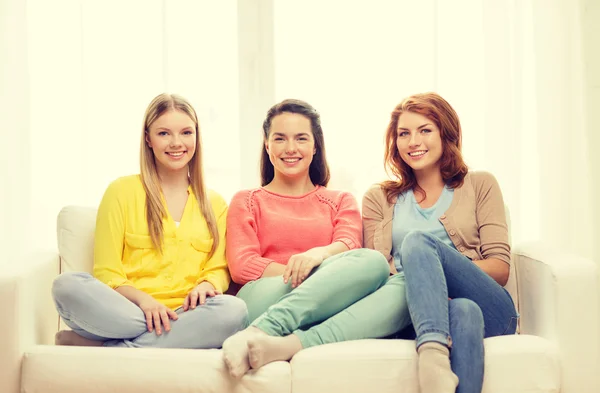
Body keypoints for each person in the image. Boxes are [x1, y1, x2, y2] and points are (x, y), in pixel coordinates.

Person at [222, 99, 411, 379]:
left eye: (301, 138)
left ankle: (286, 345)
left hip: (327, 301)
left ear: (315, 145)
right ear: (267, 145)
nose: (290, 148)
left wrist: (317, 256)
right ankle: (260, 329)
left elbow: (349, 245)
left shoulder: (340, 201)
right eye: (280, 138)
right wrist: (310, 276)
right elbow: (243, 265)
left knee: (406, 283)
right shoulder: (247, 200)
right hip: (266, 297)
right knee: (371, 262)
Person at [51, 93, 248, 348]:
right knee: (66, 286)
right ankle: (163, 338)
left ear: (197, 137)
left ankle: (110, 346)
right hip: (127, 309)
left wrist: (207, 284)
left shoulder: (216, 204)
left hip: (188, 313)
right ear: (148, 138)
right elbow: (107, 271)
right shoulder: (120, 191)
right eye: (164, 133)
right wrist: (144, 302)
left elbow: (218, 268)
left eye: (186, 133)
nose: (177, 142)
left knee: (234, 310)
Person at [362, 92, 519, 393]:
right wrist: (428, 293)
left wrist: (436, 280)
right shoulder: (378, 198)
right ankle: (435, 360)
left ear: (446, 133)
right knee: (463, 312)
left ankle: (432, 349)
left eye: (425, 130)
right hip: (413, 311)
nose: (413, 142)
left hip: (491, 307)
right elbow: (377, 271)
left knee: (418, 243)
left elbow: (500, 268)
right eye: (403, 134)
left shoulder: (481, 184)